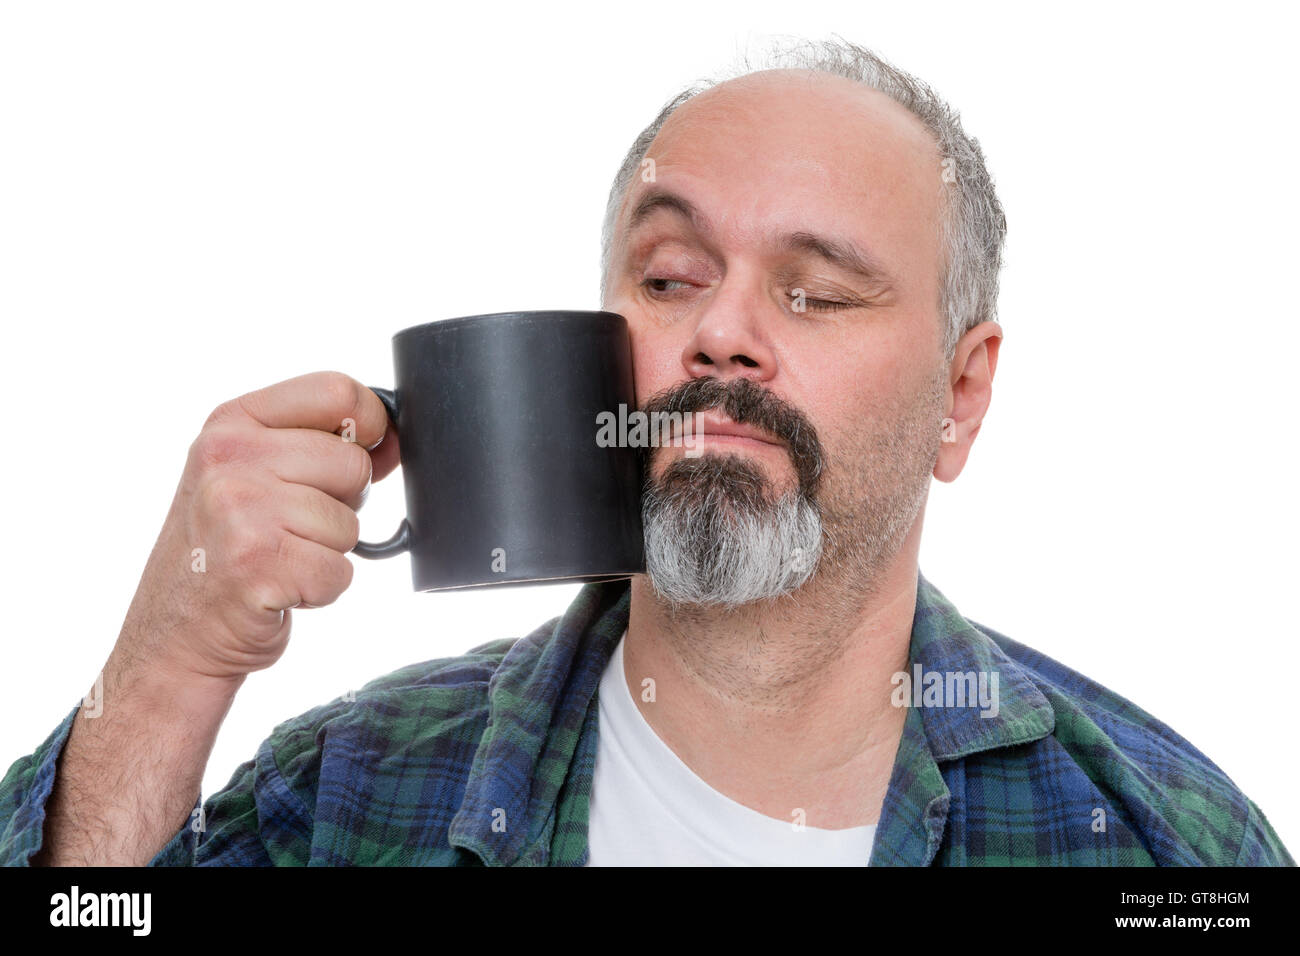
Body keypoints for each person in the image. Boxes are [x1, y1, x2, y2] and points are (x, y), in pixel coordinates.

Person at [1, 37, 1291, 867]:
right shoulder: (351, 792)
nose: (722, 332)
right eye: (671, 277)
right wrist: (170, 666)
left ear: (963, 395)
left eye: (816, 294)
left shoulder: (1167, 852)